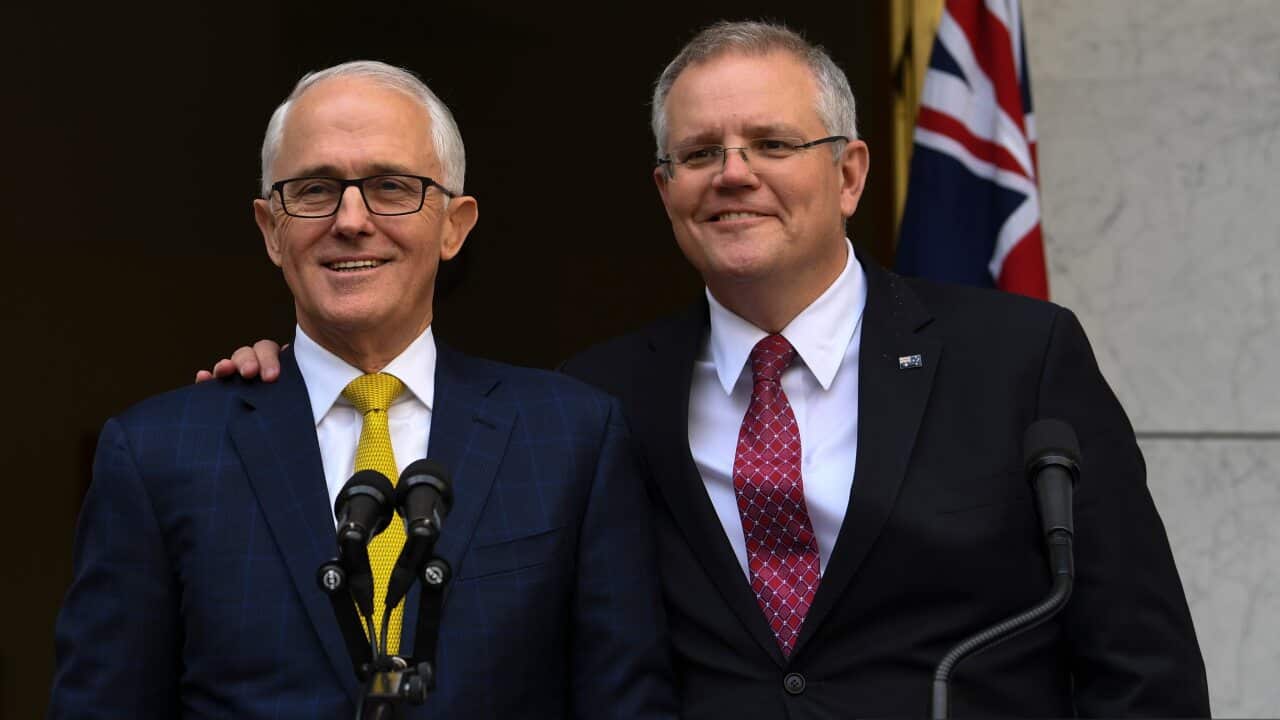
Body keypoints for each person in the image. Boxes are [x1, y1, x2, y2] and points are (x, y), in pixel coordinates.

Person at [205, 23, 1210, 718]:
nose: (733, 173)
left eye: (772, 142)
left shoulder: (1018, 358)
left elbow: (1140, 667)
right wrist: (288, 379)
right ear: (664, 189)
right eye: (699, 153)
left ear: (849, 171)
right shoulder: (590, 403)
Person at [50, 61, 675, 719]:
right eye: (316, 189)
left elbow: (625, 703)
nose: (351, 219)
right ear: (270, 229)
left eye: (390, 186)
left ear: (454, 224)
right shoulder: (158, 455)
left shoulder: (572, 436)